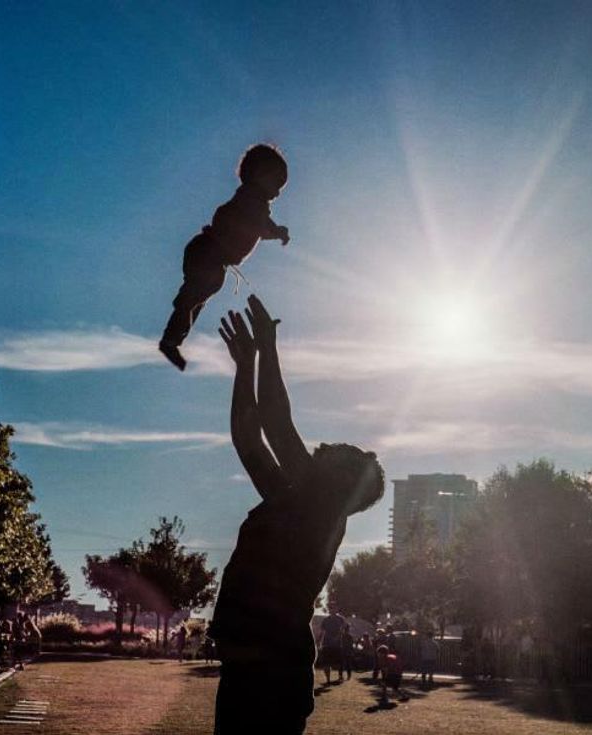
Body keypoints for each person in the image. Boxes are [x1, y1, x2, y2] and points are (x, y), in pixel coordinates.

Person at [208, 295, 385, 735]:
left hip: (271, 674)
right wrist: (245, 364)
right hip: (252, 667)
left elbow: (274, 421)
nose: (327, 447)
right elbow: (249, 439)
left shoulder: (321, 511)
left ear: (342, 483)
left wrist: (267, 346)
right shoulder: (296, 505)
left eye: (341, 453)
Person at [159, 145, 290, 371]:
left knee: (200, 298)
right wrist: (277, 231)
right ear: (259, 175)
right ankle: (177, 321)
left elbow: (259, 227)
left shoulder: (255, 204)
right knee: (198, 293)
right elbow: (260, 225)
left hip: (211, 257)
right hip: (207, 252)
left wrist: (275, 232)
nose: (277, 193)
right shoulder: (251, 200)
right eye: (276, 184)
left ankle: (173, 338)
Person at [318, 610, 345, 685]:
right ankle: (328, 679)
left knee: (339, 662)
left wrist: (337, 637)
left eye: (334, 607)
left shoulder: (340, 619)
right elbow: (322, 631)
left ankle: (340, 676)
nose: (332, 609)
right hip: (327, 644)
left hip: (337, 644)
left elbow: (342, 630)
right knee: (326, 663)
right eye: (331, 608)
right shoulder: (325, 620)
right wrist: (319, 641)